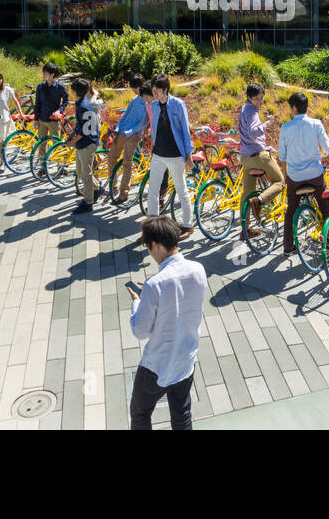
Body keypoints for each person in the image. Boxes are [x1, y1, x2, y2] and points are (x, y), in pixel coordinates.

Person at [127, 215, 207, 431]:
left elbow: (140, 331)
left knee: (140, 413)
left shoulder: (155, 285)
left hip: (157, 366)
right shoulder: (198, 269)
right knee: (182, 414)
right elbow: (183, 299)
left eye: (149, 247)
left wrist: (138, 303)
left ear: (155, 245)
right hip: (186, 360)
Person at [277, 91, 329, 256]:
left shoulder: (285, 127)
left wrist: (285, 175)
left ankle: (288, 246)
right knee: (326, 208)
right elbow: (327, 147)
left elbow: (282, 156)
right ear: (307, 108)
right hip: (315, 175)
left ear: (294, 108)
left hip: (295, 177)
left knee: (291, 210)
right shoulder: (316, 124)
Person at [146, 74, 195, 239]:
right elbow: (155, 126)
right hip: (158, 153)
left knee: (182, 190)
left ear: (165, 90)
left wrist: (189, 155)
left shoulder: (178, 104)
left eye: (157, 90)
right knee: (152, 190)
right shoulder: (154, 105)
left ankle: (188, 226)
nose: (154, 93)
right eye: (153, 90)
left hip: (175, 155)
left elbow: (185, 132)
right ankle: (152, 228)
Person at [237, 83, 283, 239]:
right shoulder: (252, 112)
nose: (260, 101)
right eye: (256, 99)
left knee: (247, 193)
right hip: (259, 155)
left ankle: (245, 229)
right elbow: (252, 132)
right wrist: (267, 124)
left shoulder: (244, 108)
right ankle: (260, 201)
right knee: (280, 181)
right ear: (249, 98)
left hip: (245, 157)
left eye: (262, 97)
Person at [110, 74, 151, 205]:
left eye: (135, 89)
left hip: (133, 135)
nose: (134, 91)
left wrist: (129, 132)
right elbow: (125, 115)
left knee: (127, 163)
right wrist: (117, 129)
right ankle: (113, 185)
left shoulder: (148, 102)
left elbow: (143, 122)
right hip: (122, 132)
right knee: (111, 158)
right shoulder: (134, 100)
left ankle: (124, 194)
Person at [66, 77, 105, 213]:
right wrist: (72, 132)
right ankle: (97, 188)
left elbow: (85, 131)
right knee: (80, 171)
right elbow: (81, 125)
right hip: (83, 142)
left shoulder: (83, 106)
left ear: (75, 91)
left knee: (86, 173)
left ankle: (88, 202)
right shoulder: (81, 102)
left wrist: (72, 141)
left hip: (88, 143)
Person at [33, 61, 69, 141]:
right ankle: (42, 154)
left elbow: (66, 101)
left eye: (45, 73)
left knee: (56, 144)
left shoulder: (60, 87)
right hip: (42, 119)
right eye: (43, 72)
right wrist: (35, 119)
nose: (43, 74)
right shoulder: (40, 86)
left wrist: (59, 111)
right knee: (41, 144)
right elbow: (37, 103)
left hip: (54, 120)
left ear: (52, 74)